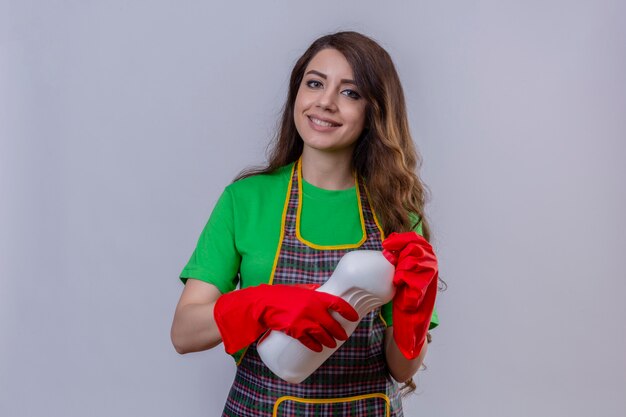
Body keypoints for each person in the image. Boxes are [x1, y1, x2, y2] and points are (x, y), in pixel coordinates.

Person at [171, 31, 440, 417]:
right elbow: (183, 333)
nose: (325, 102)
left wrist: (415, 308)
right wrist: (258, 305)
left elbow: (402, 368)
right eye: (315, 83)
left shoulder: (397, 213)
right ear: (297, 94)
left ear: (374, 111)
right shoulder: (246, 200)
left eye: (350, 92)